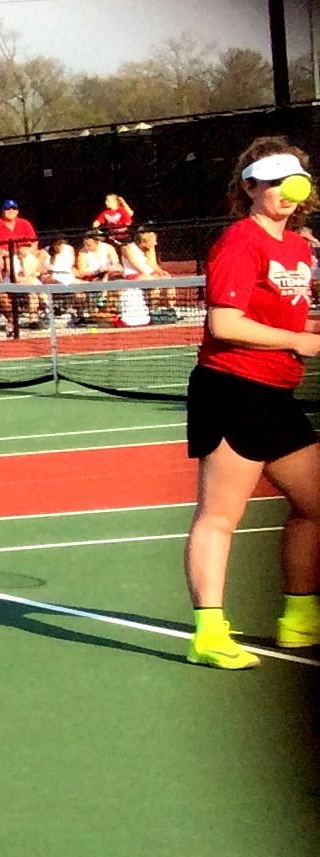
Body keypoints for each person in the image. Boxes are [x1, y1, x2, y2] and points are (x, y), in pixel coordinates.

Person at [181, 138, 320, 669]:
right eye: (273, 181)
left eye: (293, 180)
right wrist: (298, 340)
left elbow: (284, 316)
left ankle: (300, 619)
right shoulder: (240, 242)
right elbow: (224, 323)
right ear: (251, 186)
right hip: (231, 389)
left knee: (314, 504)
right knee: (219, 516)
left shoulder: (299, 247)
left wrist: (305, 333)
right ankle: (209, 635)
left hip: (276, 395)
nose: (285, 190)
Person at [0, 200, 38, 264]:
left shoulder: (25, 224)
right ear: (2, 211)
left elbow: (34, 242)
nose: (11, 210)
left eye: (14, 208)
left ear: (17, 211)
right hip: (3, 256)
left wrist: (29, 250)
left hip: (23, 256)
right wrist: (3, 253)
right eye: (7, 208)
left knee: (41, 254)